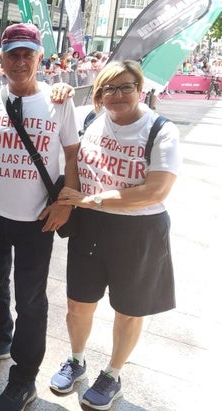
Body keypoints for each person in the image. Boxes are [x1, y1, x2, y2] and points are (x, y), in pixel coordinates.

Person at [0, 22, 79, 411]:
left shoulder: (60, 101)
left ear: (41, 58)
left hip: (36, 219)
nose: (20, 61)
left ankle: (24, 378)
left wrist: (66, 203)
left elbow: (72, 155)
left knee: (30, 300)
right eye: (13, 54)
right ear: (2, 59)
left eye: (28, 54)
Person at [49, 60, 179, 410]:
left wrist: (91, 199)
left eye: (126, 87)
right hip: (90, 225)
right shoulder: (88, 117)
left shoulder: (160, 130)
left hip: (139, 229)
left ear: (140, 90)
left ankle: (113, 373)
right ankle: (76, 360)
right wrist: (57, 90)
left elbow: (156, 191)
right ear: (98, 93)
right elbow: (51, 105)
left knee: (129, 310)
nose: (117, 95)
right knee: (78, 303)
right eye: (109, 88)